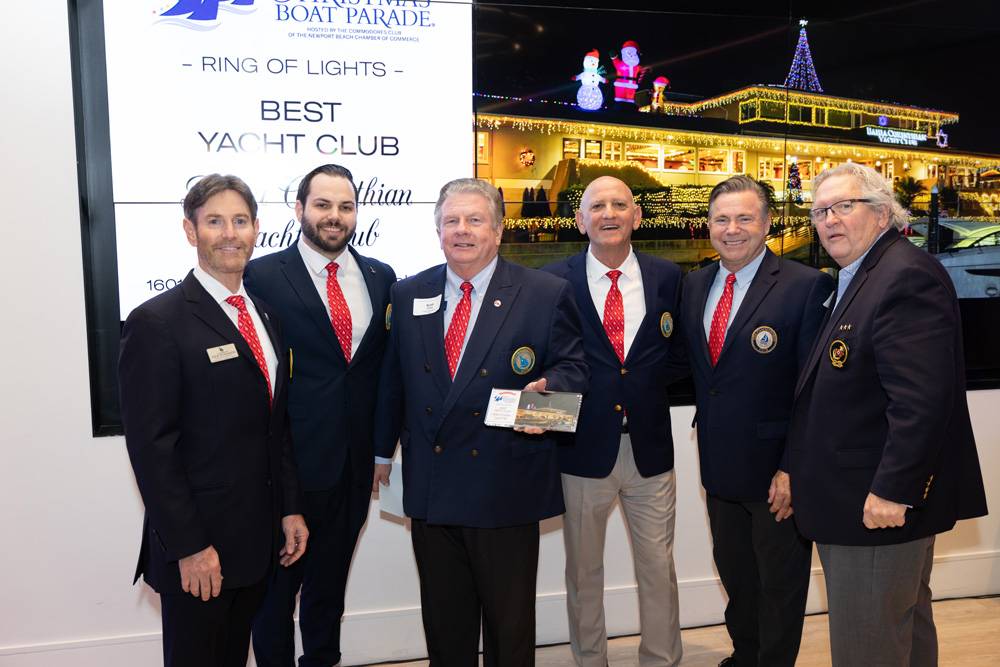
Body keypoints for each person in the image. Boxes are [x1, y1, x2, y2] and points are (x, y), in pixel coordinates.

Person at [372, 178, 588, 666]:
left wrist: (548, 392)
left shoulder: (544, 292)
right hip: (433, 483)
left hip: (504, 482)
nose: (462, 230)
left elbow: (575, 368)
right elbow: (393, 380)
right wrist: (382, 452)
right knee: (445, 624)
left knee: (509, 629)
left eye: (474, 220)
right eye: (451, 221)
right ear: (438, 231)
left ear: (498, 230)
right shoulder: (408, 293)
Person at [788, 162, 988, 666]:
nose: (829, 220)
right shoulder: (862, 275)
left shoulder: (903, 276)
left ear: (882, 213)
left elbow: (922, 401)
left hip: (874, 506)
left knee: (870, 646)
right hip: (858, 501)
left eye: (843, 206)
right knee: (903, 631)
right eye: (820, 212)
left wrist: (895, 489)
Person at [119, 174, 308, 667]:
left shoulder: (265, 316)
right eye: (215, 222)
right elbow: (152, 450)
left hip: (257, 544)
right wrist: (190, 547)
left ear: (257, 229)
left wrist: (290, 508)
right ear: (190, 231)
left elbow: (276, 426)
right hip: (200, 550)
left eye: (240, 221)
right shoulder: (156, 322)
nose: (230, 234)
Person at [245, 164, 396, 667]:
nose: (335, 216)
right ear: (299, 209)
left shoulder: (380, 276)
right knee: (275, 594)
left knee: (329, 586)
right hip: (288, 468)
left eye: (346, 206)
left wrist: (381, 450)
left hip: (353, 466)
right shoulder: (262, 275)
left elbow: (380, 373)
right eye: (323, 205)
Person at [680, 175, 833, 667]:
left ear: (767, 224)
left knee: (779, 585)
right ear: (708, 225)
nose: (732, 229)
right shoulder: (695, 284)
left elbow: (813, 391)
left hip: (775, 473)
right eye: (722, 219)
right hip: (719, 466)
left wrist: (792, 467)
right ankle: (744, 657)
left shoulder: (805, 286)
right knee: (737, 576)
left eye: (745, 218)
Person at [542, 176, 685, 667]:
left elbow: (678, 353)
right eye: (597, 206)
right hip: (582, 449)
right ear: (580, 220)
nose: (609, 213)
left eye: (619, 205)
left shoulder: (668, 277)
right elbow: (548, 357)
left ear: (636, 217)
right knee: (584, 572)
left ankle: (662, 660)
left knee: (659, 568)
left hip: (650, 448)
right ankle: (590, 660)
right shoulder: (553, 280)